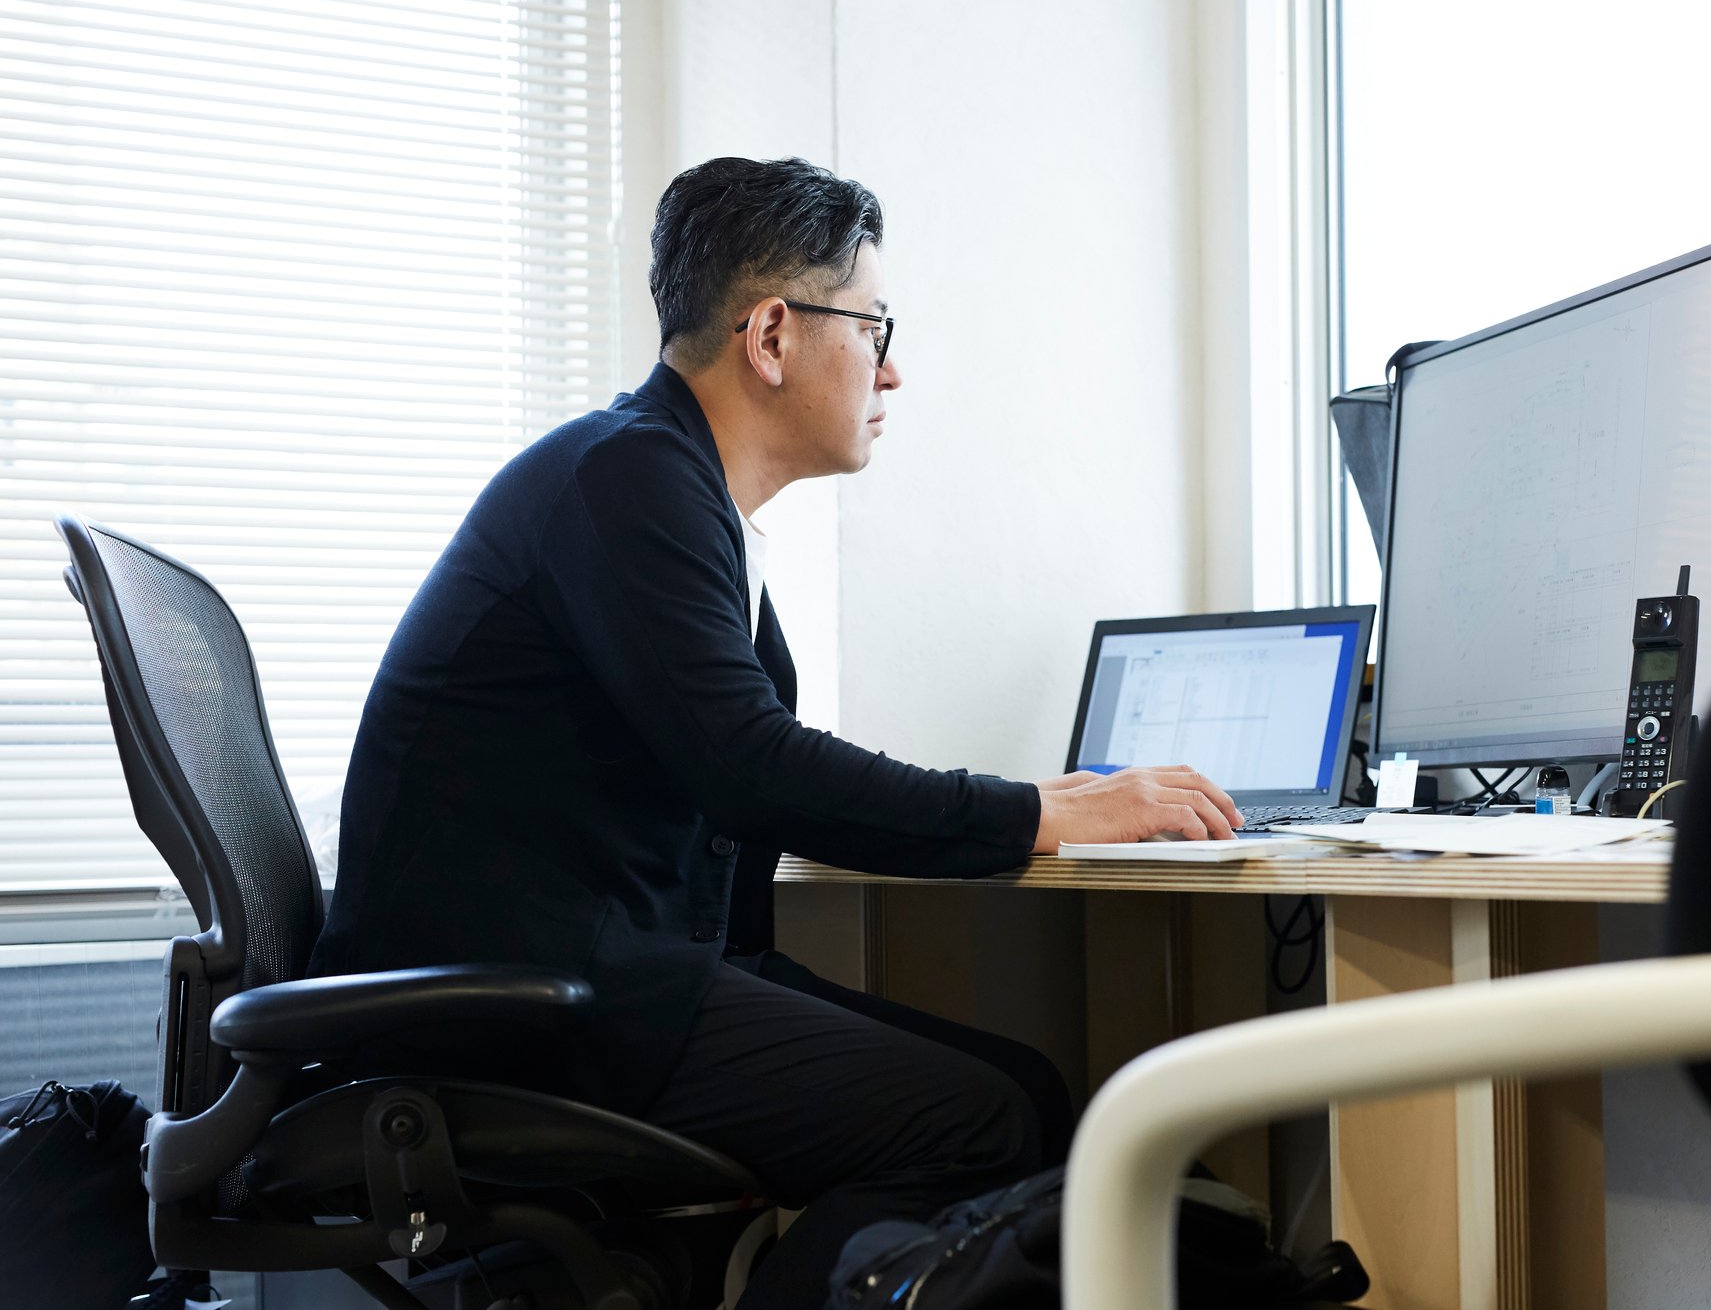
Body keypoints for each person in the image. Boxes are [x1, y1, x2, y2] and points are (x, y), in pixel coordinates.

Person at [307, 155, 1243, 1308]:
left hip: (579, 979)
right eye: (874, 324)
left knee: (1033, 1098)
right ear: (771, 335)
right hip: (527, 1008)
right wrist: (1042, 811)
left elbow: (729, 761)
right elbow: (750, 767)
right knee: (987, 1123)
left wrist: (1033, 804)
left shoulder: (665, 486)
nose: (892, 368)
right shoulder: (631, 482)